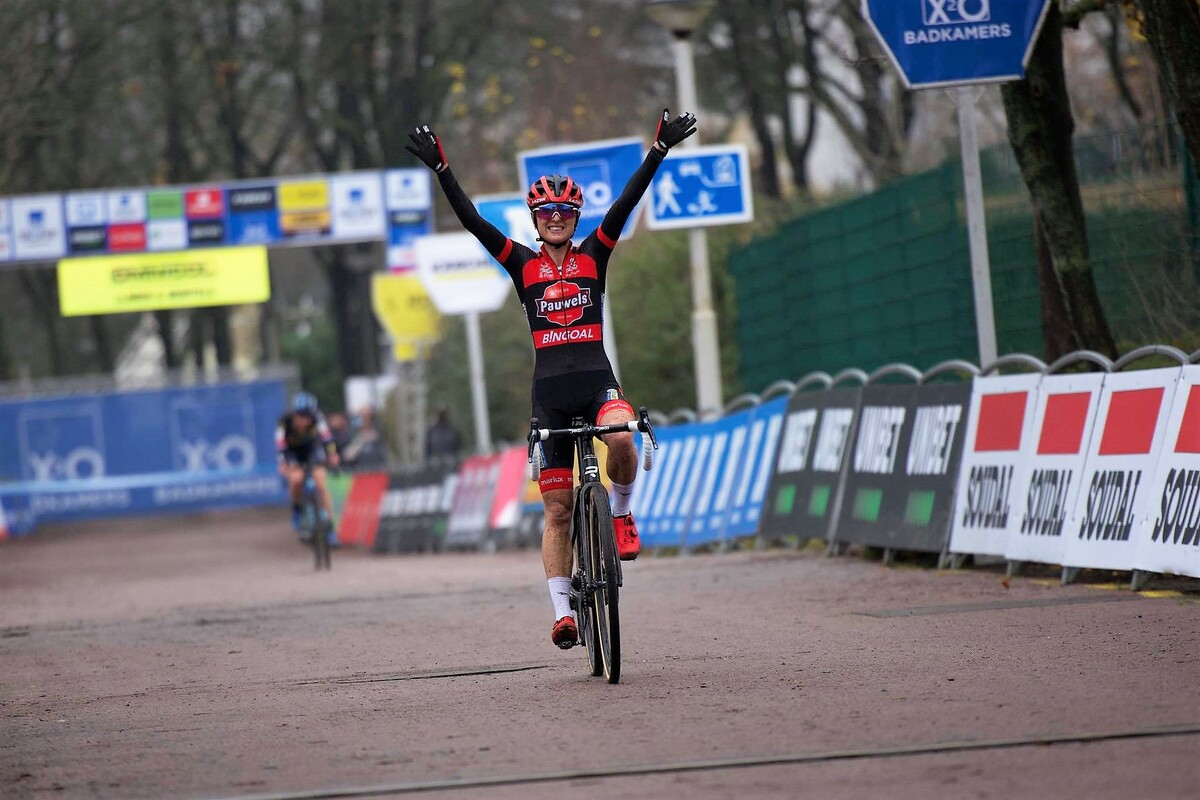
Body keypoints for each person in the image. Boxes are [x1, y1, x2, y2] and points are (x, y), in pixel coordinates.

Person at [406, 108, 696, 649]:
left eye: (565, 209)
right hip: (550, 396)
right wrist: (443, 170)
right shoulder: (520, 264)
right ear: (535, 218)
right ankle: (563, 612)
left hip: (595, 380)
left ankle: (622, 514)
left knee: (621, 438)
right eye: (547, 210)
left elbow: (627, 203)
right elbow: (473, 222)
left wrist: (657, 150)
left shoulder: (595, 254)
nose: (556, 216)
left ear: (576, 216)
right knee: (558, 509)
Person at [276, 391, 341, 547]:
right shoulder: (284, 422)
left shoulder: (318, 419)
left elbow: (327, 439)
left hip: (312, 452)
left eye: (307, 416)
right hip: (293, 454)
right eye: (300, 416)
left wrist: (332, 454)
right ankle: (297, 509)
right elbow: (280, 445)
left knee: (321, 484)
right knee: (296, 479)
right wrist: (283, 463)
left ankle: (330, 528)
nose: (303, 420)